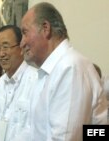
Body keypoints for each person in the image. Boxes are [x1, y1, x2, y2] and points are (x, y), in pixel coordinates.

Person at [20, 2, 108, 141]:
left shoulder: (70, 68)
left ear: (45, 28)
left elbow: (64, 138)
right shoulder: (50, 72)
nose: (22, 43)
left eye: (25, 33)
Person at [0, 25, 38, 141]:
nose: (1, 54)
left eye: (6, 47)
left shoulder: (36, 81)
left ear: (21, 48)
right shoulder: (0, 84)